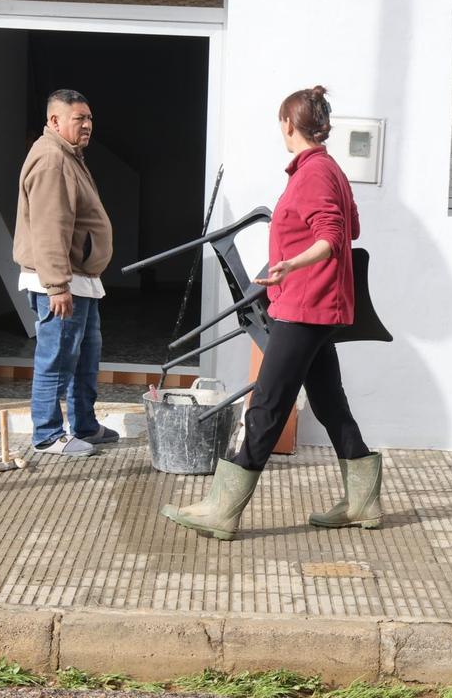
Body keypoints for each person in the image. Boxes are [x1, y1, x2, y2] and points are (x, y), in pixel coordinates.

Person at [161, 85, 382, 539]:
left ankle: (223, 509)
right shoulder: (327, 169)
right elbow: (352, 225)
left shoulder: (314, 174)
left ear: (288, 123)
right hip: (319, 307)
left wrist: (291, 264)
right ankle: (363, 500)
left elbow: (334, 234)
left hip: (304, 306)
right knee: (328, 401)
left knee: (266, 404)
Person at [13, 89, 120, 457]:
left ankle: (84, 426)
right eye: (79, 119)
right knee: (57, 358)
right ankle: (46, 435)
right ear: (55, 121)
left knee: (85, 357)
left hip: (80, 279)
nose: (88, 124)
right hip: (60, 282)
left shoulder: (69, 156)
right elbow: (49, 227)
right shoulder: (52, 160)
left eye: (89, 118)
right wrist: (57, 285)